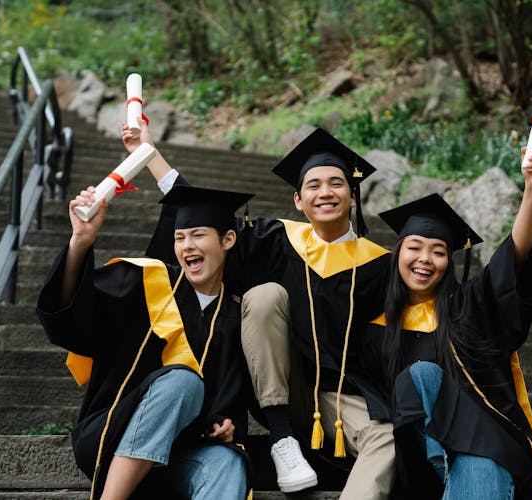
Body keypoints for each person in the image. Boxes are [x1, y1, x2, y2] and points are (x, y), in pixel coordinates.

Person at [122, 121, 396, 499]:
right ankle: (282, 441)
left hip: (338, 395)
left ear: (353, 196)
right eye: (312, 186)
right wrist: (151, 156)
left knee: (387, 436)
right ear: (298, 201)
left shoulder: (382, 266)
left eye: (336, 184)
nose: (325, 192)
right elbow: (206, 224)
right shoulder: (274, 239)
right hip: (277, 385)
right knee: (264, 295)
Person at [356, 145, 532, 500]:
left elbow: (513, 256)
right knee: (420, 375)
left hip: (485, 444)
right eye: (414, 247)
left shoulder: (467, 309)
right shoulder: (373, 328)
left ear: (449, 261)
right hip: (419, 464)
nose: (424, 259)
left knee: (479, 461)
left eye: (438, 251)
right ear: (397, 253)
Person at [36, 183, 256, 500]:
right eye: (180, 237)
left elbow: (229, 403)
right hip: (112, 435)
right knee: (184, 380)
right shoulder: (145, 283)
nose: (186, 246)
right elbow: (72, 322)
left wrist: (226, 427)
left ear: (228, 240)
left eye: (198, 235)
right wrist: (81, 242)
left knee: (229, 461)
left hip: (181, 450)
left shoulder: (235, 317)